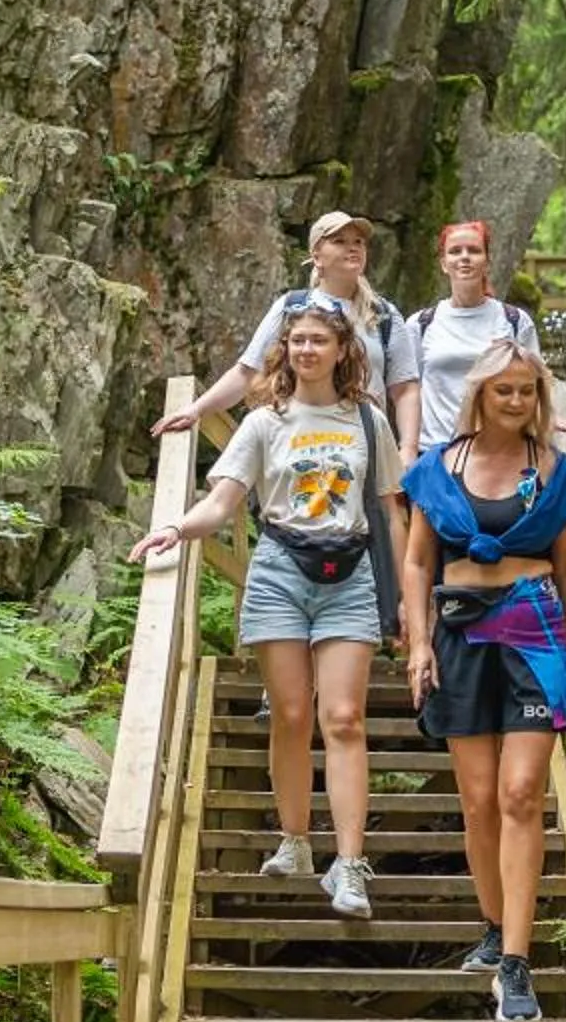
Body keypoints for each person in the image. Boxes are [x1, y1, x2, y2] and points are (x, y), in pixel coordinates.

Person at [129, 295, 406, 919]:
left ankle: (351, 865)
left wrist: (410, 600)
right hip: (281, 570)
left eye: (319, 340)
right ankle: (296, 840)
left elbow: (391, 510)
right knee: (288, 713)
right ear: (287, 349)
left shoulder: (366, 421)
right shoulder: (264, 423)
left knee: (342, 718)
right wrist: (177, 528)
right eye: (299, 340)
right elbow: (224, 503)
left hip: (350, 575)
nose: (308, 350)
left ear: (342, 350)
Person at [399, 339, 566, 1022]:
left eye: (527, 391)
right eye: (504, 390)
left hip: (532, 627)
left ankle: (516, 963)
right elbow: (418, 562)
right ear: (479, 392)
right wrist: (419, 643)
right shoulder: (438, 468)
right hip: (458, 632)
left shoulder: (554, 471)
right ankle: (492, 925)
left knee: (519, 793)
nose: (516, 401)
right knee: (478, 799)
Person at [153, 208, 418, 449]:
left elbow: (405, 389)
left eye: (358, 242)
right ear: (316, 255)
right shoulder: (292, 307)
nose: (353, 248)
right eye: (340, 241)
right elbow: (247, 372)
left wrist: (407, 449)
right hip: (299, 443)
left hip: (364, 444)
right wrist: (196, 410)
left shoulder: (383, 314)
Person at [401, 220, 540, 458]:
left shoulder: (515, 321)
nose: (464, 257)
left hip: (499, 453)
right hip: (436, 452)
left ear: (487, 262)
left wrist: (555, 419)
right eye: (455, 251)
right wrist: (408, 449)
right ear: (444, 264)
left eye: (474, 251)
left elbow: (538, 383)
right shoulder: (420, 324)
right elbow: (408, 391)